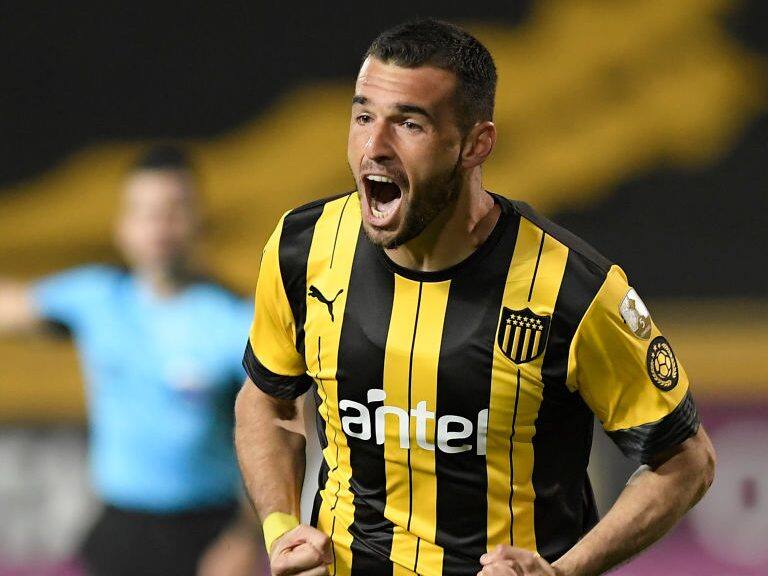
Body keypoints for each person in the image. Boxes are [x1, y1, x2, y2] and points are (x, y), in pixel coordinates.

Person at [234, 19, 716, 576]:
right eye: (363, 116)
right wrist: (281, 529)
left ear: (475, 143)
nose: (374, 146)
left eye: (408, 124)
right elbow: (265, 400)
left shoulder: (573, 289)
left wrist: (563, 572)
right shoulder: (304, 247)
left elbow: (686, 460)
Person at [0, 145, 267, 576]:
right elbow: (11, 307)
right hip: (120, 527)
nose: (158, 227)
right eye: (144, 212)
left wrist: (243, 538)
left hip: (207, 534)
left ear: (199, 221)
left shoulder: (237, 322)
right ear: (123, 226)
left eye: (173, 210)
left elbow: (279, 439)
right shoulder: (96, 298)